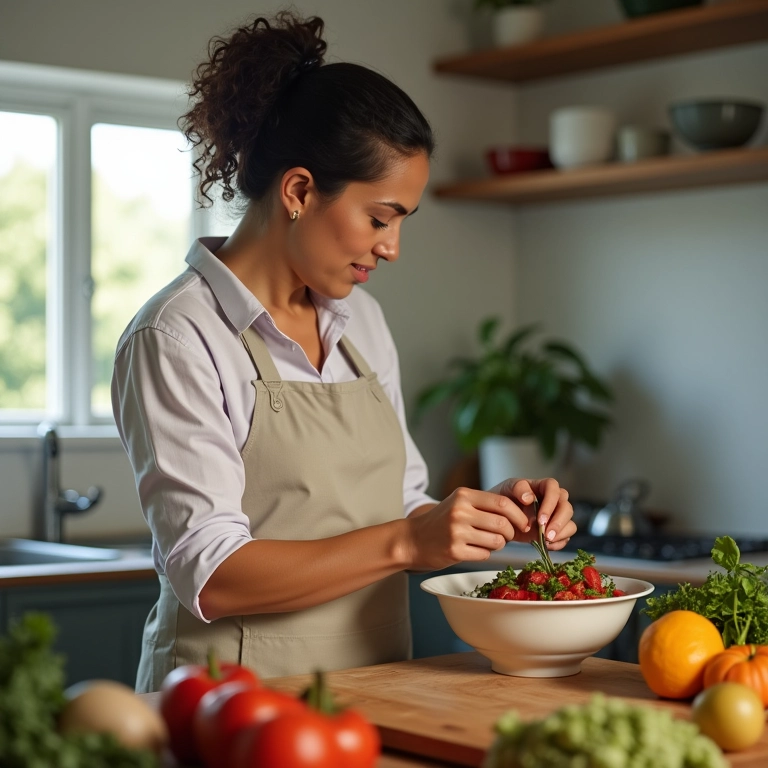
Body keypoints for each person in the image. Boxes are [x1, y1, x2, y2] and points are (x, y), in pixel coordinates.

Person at [112, 11, 576, 694]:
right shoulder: (178, 336)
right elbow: (210, 574)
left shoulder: (363, 322)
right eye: (379, 218)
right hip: (227, 706)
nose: (392, 247)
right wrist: (408, 543)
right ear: (299, 191)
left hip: (376, 690)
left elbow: (399, 504)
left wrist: (481, 515)